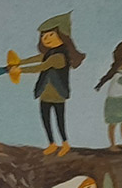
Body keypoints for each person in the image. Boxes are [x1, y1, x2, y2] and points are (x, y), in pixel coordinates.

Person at [13, 13, 85, 155]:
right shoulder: (50, 53)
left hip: (58, 95)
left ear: (62, 36)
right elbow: (38, 58)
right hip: (45, 93)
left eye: (51, 35)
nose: (46, 38)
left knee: (59, 121)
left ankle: (65, 143)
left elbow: (42, 66)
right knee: (45, 119)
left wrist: (20, 70)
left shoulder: (60, 56)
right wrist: (19, 62)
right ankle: (52, 143)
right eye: (43, 36)